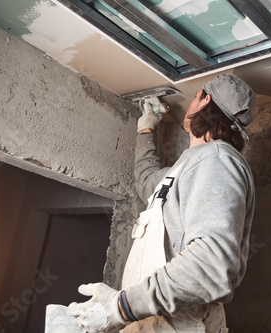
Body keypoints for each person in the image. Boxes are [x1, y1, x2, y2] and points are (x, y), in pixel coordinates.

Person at [68, 74, 256, 333]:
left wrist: (121, 307)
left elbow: (210, 265)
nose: (190, 103)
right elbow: (149, 183)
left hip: (178, 323)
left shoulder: (218, 161)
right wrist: (146, 127)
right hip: (152, 319)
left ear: (204, 101)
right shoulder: (191, 166)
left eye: (194, 97)